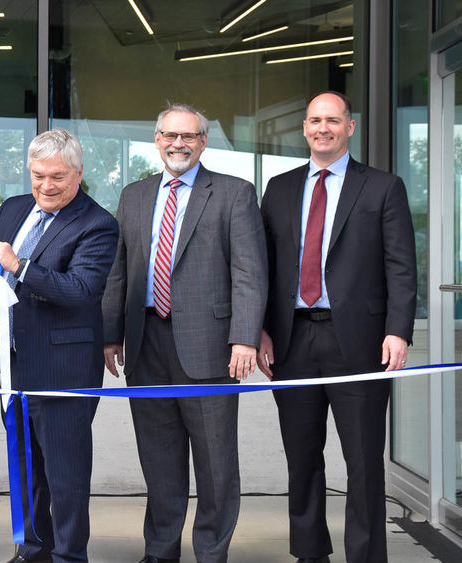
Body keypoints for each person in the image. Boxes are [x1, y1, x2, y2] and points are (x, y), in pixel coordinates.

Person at [102, 103, 268, 563]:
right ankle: (160, 550)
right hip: (145, 344)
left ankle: (211, 552)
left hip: (211, 347)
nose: (178, 144)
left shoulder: (234, 193)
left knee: (215, 464)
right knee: (158, 459)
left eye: (188, 136)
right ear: (156, 139)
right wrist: (111, 333)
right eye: (170, 135)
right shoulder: (133, 195)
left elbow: (250, 273)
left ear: (203, 141)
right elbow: (121, 271)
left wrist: (245, 337)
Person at [257, 91, 417, 563]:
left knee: (364, 461)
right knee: (302, 458)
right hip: (292, 341)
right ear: (304, 129)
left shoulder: (383, 187)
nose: (322, 128)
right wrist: (260, 330)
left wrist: (398, 330)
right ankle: (310, 553)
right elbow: (263, 268)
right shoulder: (280, 188)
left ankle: (365, 556)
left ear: (350, 127)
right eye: (314, 120)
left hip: (362, 342)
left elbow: (402, 267)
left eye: (332, 120)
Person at [0, 128, 118, 563]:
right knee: (25, 469)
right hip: (13, 365)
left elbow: (80, 289)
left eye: (58, 177)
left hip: (63, 369)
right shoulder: (15, 207)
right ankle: (32, 550)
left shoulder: (98, 224)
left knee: (65, 476)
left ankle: (70, 556)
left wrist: (20, 263)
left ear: (79, 173)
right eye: (38, 176)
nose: (46, 186)